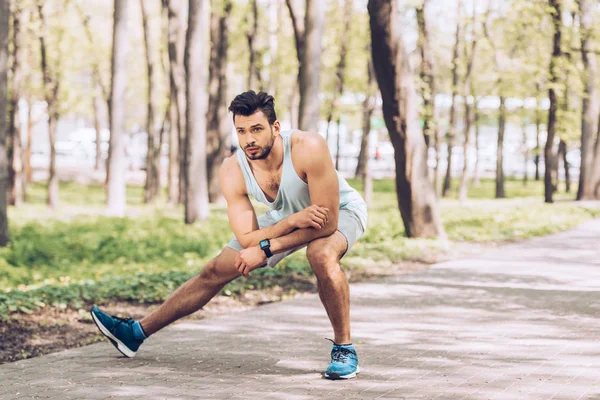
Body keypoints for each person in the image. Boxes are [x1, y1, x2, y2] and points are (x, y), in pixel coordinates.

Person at [90, 90, 368, 380]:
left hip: (339, 211)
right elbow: (248, 238)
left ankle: (344, 348)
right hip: (289, 217)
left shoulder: (308, 146)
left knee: (320, 254)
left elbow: (326, 223)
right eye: (242, 131)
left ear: (275, 128)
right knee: (214, 270)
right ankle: (135, 333)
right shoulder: (232, 169)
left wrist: (267, 248)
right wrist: (286, 226)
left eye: (257, 129)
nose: (249, 139)